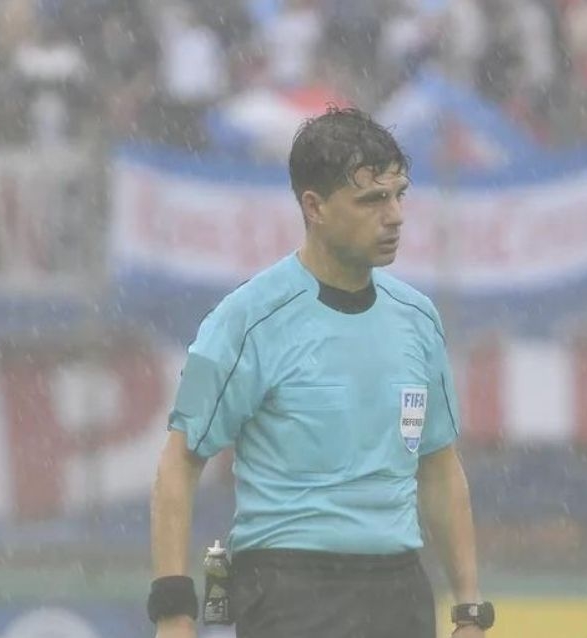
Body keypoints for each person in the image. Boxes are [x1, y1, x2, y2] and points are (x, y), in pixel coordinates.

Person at [148, 107, 494, 638]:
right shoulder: (244, 320)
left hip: (399, 590)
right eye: (372, 200)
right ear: (314, 207)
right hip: (290, 591)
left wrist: (469, 609)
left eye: (399, 194)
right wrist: (173, 613)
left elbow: (440, 467)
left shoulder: (419, 319)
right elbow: (179, 462)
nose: (395, 215)